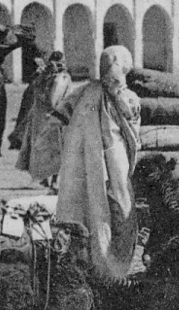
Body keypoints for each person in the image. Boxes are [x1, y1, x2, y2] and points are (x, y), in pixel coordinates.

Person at [52, 46, 141, 281]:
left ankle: (115, 264)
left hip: (114, 156)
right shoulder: (86, 93)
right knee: (90, 205)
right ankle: (96, 262)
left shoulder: (126, 96)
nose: (110, 69)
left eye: (115, 64)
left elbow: (131, 116)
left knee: (121, 204)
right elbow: (60, 115)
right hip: (89, 161)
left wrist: (117, 91)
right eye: (107, 64)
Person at [17, 49, 71, 189]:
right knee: (56, 150)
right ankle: (53, 181)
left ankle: (46, 179)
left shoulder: (43, 77)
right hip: (54, 117)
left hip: (40, 118)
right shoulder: (62, 78)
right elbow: (54, 101)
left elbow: (40, 96)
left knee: (42, 149)